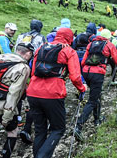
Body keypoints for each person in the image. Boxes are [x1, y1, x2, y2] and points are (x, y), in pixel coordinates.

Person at [26, 27, 86, 157]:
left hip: (33, 91)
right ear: (70, 38)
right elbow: (75, 77)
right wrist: (82, 89)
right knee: (58, 129)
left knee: (40, 131)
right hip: (53, 93)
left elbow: (32, 71)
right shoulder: (68, 51)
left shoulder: (41, 48)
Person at [74, 29, 117, 140]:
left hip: (86, 72)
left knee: (95, 96)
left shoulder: (91, 43)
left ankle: (97, 119)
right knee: (92, 100)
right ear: (108, 37)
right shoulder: (109, 45)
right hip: (97, 74)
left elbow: (83, 61)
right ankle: (79, 125)